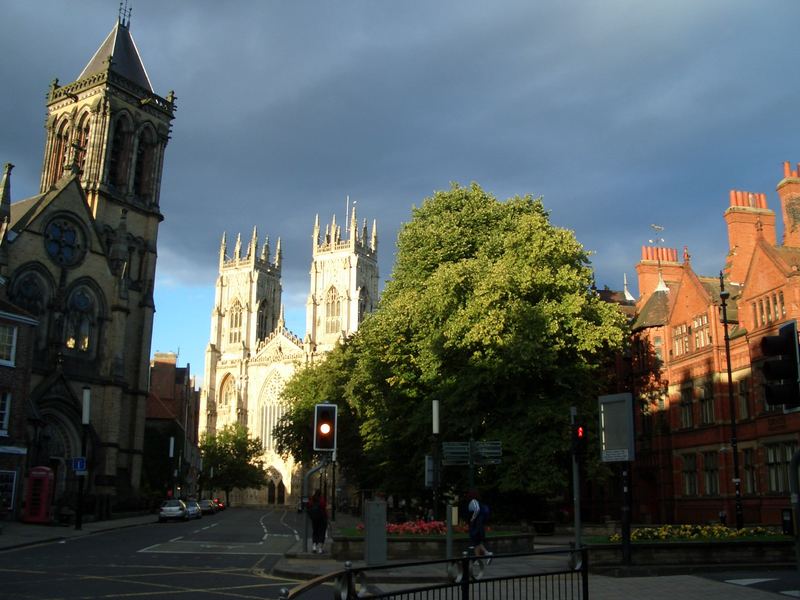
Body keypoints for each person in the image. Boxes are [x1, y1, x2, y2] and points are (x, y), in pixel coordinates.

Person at [467, 489, 492, 563]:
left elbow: (477, 510)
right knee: (476, 543)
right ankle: (478, 560)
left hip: (476, 525)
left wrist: (472, 518)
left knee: (476, 542)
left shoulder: (473, 501)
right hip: (479, 525)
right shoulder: (478, 502)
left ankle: (487, 554)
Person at [307, 489, 328, 554]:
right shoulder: (322, 500)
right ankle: (320, 549)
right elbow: (324, 507)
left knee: (315, 532)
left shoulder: (312, 499)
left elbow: (308, 506)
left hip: (314, 519)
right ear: (320, 494)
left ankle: (314, 547)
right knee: (322, 532)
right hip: (322, 519)